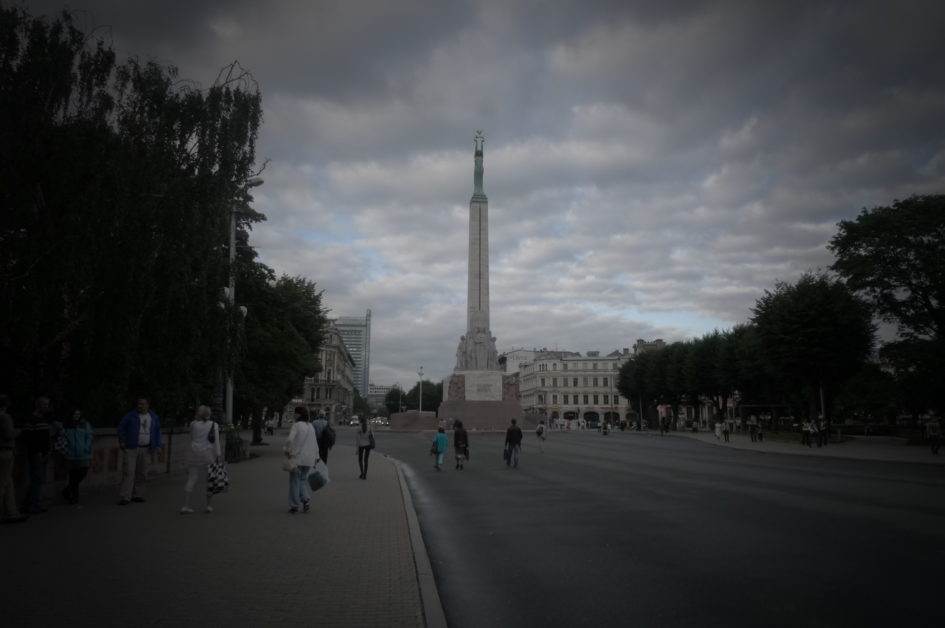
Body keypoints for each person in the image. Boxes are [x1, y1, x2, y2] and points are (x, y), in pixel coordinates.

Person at [116, 397, 162, 505]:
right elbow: (121, 428)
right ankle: (125, 496)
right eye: (138, 404)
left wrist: (158, 445)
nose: (140, 406)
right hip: (131, 448)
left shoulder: (153, 417)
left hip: (146, 448)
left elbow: (157, 432)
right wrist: (122, 441)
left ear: (148, 405)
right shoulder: (130, 415)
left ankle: (137, 495)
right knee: (129, 472)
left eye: (142, 404)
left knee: (142, 473)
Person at [180, 406, 221, 514]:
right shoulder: (214, 425)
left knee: (192, 478)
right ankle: (208, 505)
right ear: (209, 414)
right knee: (210, 480)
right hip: (208, 454)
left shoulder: (193, 424)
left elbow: (191, 437)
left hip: (194, 453)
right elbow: (216, 441)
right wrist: (218, 455)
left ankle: (186, 506)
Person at [20, 396, 52, 514]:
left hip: (44, 454)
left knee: (39, 480)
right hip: (36, 454)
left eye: (47, 404)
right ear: (37, 405)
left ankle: (34, 504)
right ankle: (29, 505)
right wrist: (36, 451)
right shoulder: (30, 420)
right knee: (36, 480)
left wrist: (48, 450)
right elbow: (27, 438)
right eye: (44, 404)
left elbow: (46, 437)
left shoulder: (44, 420)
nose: (46, 407)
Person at [284, 407, 317, 513]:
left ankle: (294, 505)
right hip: (309, 459)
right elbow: (315, 443)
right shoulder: (310, 426)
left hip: (297, 458)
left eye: (295, 413)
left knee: (294, 481)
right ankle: (306, 500)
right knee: (302, 479)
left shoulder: (296, 425)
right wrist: (316, 457)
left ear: (299, 414)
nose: (294, 415)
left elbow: (290, 440)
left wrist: (287, 450)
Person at [0, 395, 28, 523]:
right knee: (3, 483)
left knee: (8, 482)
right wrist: (20, 431)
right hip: (5, 451)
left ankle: (12, 512)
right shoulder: (4, 417)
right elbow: (9, 434)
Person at [61, 409, 94, 505]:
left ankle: (67, 490)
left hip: (83, 454)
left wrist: (86, 447)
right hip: (70, 455)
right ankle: (74, 497)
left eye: (78, 414)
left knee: (83, 472)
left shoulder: (85, 424)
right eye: (75, 414)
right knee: (72, 476)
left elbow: (89, 436)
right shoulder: (66, 425)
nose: (77, 416)